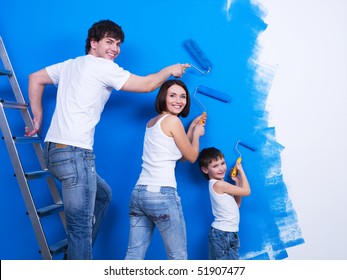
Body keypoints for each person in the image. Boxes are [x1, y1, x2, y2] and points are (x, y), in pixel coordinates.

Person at [24, 19, 190, 260]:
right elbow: (146, 85)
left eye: (118, 44)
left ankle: (74, 259)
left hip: (53, 153)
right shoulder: (103, 67)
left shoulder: (71, 65)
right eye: (109, 42)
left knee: (103, 195)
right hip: (75, 155)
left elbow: (34, 78)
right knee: (79, 229)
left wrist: (36, 116)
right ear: (93, 43)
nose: (115, 49)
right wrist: (169, 70)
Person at [125, 79, 206, 260]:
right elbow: (192, 157)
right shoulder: (173, 121)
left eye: (183, 96)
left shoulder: (152, 122)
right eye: (173, 95)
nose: (179, 100)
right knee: (178, 257)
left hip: (139, 193)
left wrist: (192, 128)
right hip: (161, 194)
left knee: (134, 254)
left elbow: (181, 155)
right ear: (163, 97)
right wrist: (198, 136)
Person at [197, 147, 250, 260]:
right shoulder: (219, 185)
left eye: (222, 163)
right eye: (215, 166)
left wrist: (237, 182)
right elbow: (247, 191)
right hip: (222, 234)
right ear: (205, 170)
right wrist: (241, 170)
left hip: (229, 233)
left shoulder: (221, 184)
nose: (221, 168)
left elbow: (237, 205)